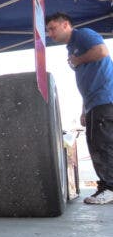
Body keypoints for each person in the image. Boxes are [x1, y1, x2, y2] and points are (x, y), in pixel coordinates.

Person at [46, 12, 113, 204]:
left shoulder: (83, 35)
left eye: (53, 28)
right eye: (48, 30)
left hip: (104, 98)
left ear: (65, 24)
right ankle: (107, 186)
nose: (50, 33)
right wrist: (84, 109)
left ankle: (110, 188)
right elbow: (87, 78)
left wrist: (78, 60)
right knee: (100, 143)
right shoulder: (72, 47)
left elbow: (102, 52)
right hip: (94, 101)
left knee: (103, 145)